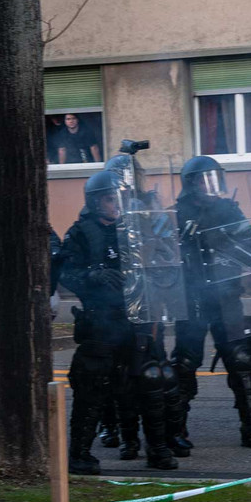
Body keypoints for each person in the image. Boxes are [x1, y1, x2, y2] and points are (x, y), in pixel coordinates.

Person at [59, 171, 178, 472]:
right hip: (101, 321)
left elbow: (162, 263)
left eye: (120, 198)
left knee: (150, 378)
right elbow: (64, 274)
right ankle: (80, 454)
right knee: (92, 384)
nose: (117, 205)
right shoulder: (80, 233)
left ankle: (158, 449)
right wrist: (91, 276)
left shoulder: (137, 229)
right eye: (110, 199)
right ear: (96, 202)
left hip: (137, 317)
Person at [173, 156, 251, 448]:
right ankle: (176, 430)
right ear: (191, 183)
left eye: (215, 178)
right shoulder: (177, 214)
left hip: (226, 295)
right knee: (185, 363)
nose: (211, 185)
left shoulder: (229, 210)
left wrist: (230, 242)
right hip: (192, 300)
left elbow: (250, 250)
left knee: (240, 359)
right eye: (205, 179)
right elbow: (165, 256)